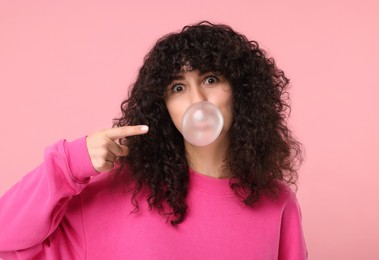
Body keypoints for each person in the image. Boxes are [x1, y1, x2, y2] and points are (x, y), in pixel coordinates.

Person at [0, 21, 307, 259]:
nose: (196, 99)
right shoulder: (119, 191)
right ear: (164, 107)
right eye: (177, 87)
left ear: (241, 90)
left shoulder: (277, 203)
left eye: (210, 80)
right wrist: (68, 163)